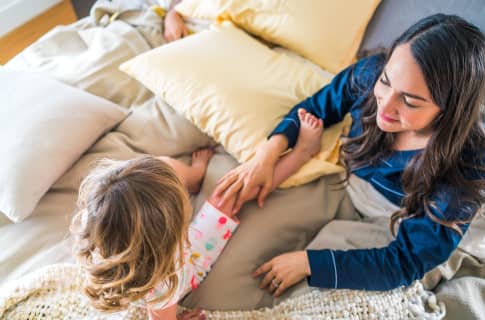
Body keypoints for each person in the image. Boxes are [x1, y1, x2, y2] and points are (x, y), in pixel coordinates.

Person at [214, 14, 485, 298]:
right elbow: (317, 106)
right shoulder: (370, 75)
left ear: (450, 111)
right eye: (386, 82)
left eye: (410, 101)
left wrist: (308, 263)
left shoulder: (470, 164)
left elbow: (405, 261)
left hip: (415, 219)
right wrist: (265, 155)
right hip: (355, 183)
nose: (385, 107)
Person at [70, 110, 326, 320]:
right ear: (177, 235)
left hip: (148, 234)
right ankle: (303, 151)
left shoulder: (96, 224)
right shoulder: (161, 286)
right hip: (190, 259)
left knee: (164, 166)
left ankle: (194, 176)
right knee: (232, 195)